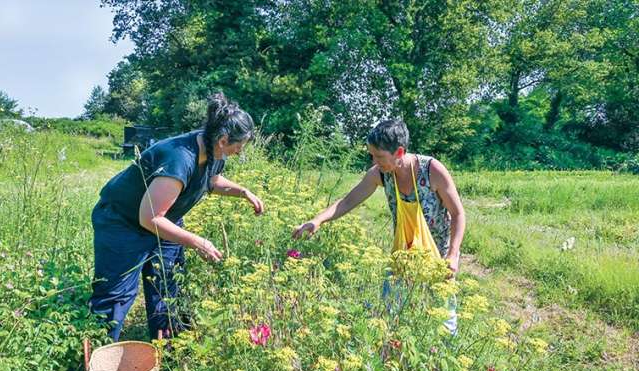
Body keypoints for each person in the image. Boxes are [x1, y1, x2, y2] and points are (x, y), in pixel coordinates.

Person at [90, 93, 264, 341]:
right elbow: (149, 218)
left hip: (164, 221)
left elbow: (211, 181)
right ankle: (98, 363)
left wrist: (243, 192)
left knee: (168, 290)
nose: (240, 151)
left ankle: (169, 356)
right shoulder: (180, 158)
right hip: (123, 223)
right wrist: (197, 241)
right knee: (116, 296)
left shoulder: (213, 151)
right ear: (224, 140)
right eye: (239, 146)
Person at [293, 119, 466, 333]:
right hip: (402, 255)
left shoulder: (432, 170)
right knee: (389, 314)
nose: (374, 161)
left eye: (380, 156)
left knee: (443, 319)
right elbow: (348, 201)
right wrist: (317, 220)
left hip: (438, 257)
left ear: (399, 152)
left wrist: (453, 254)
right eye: (372, 155)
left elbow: (457, 213)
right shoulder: (380, 173)